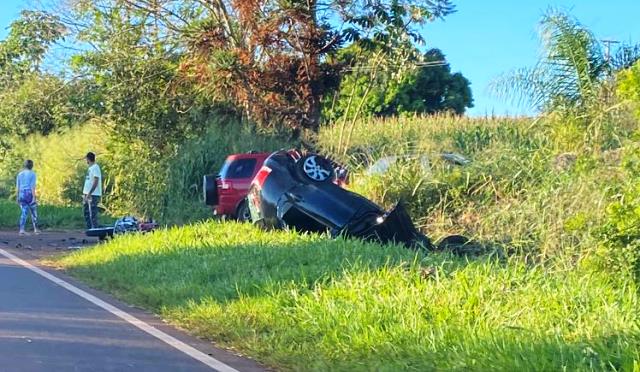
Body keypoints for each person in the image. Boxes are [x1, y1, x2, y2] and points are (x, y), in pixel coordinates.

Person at [16, 159, 39, 235]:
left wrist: (17, 197)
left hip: (22, 194)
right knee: (33, 212)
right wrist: (34, 197)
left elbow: (18, 187)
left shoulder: (20, 174)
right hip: (29, 193)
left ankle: (21, 230)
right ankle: (35, 229)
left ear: (24, 165)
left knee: (24, 212)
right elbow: (33, 187)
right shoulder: (33, 174)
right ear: (32, 166)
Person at [83, 152, 103, 229]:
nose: (86, 161)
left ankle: (95, 229)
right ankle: (89, 228)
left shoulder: (95, 167)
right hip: (86, 193)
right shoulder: (90, 168)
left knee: (93, 214)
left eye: (86, 159)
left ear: (88, 159)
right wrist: (85, 194)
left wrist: (89, 193)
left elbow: (96, 181)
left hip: (93, 194)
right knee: (86, 212)